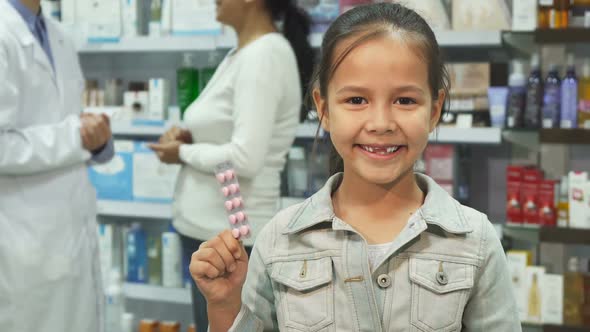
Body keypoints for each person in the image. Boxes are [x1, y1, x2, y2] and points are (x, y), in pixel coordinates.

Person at [189, 3, 522, 332]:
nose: (380, 123)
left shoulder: (475, 241)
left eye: (405, 100)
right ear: (324, 108)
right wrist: (224, 305)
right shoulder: (280, 239)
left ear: (434, 110)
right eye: (356, 100)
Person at [149, 0, 313, 330]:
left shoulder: (264, 54)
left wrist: (181, 152)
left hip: (230, 243)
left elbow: (245, 159)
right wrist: (190, 136)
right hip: (213, 235)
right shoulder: (242, 53)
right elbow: (229, 134)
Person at [0, 0, 114, 331]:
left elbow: (67, 120)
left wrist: (98, 140)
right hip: (22, 238)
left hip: (71, 229)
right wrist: (75, 138)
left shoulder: (59, 36)